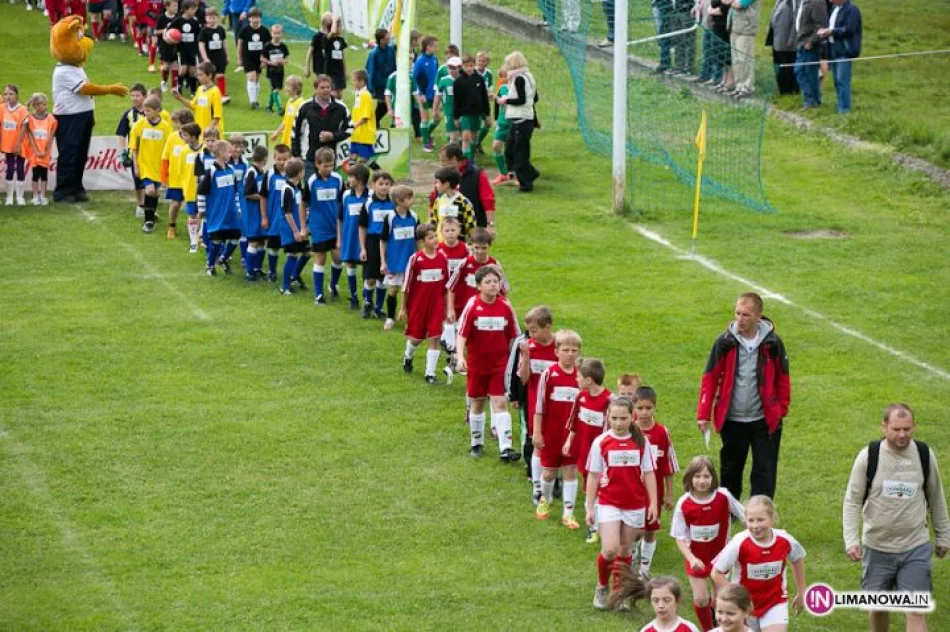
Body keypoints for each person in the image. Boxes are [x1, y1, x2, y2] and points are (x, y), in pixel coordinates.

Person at [842, 404, 949, 632]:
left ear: (915, 427)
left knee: (915, 609)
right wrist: (851, 540)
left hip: (915, 546)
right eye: (896, 429)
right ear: (884, 426)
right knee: (879, 608)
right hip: (877, 547)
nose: (902, 435)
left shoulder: (923, 454)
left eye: (907, 429)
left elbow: (936, 497)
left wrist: (943, 536)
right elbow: (852, 501)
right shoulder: (869, 456)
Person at [697, 292, 790, 501]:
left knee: (764, 471)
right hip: (733, 420)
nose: (739, 318)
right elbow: (710, 378)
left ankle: (761, 515)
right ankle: (729, 514)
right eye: (737, 313)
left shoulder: (773, 343)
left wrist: (781, 409)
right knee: (731, 470)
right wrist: (703, 414)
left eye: (746, 315)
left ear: (759, 316)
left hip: (764, 421)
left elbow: (783, 377)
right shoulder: (724, 342)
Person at [585, 396, 658, 610]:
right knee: (609, 550)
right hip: (609, 502)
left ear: (631, 416)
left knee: (625, 550)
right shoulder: (601, 442)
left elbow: (649, 472)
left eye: (623, 418)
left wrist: (653, 503)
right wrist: (589, 506)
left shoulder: (641, 441)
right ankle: (601, 587)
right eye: (614, 418)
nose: (618, 423)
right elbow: (593, 475)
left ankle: (620, 593)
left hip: (635, 504)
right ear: (608, 416)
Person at [671, 455, 745, 632]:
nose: (702, 481)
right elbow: (679, 538)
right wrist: (691, 558)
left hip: (720, 557)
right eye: (697, 476)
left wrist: (756, 530)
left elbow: (744, 515)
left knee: (720, 597)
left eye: (706, 476)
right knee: (701, 599)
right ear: (690, 478)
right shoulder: (684, 504)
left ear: (713, 478)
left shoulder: (723, 496)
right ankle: (707, 629)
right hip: (696, 558)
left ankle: (721, 626)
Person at [455, 265, 521, 463]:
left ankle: (506, 447)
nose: (493, 285)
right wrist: (460, 356)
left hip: (500, 365)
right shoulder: (472, 306)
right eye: (488, 282)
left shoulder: (506, 306)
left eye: (496, 281)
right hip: (477, 365)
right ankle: (477, 443)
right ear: (478, 286)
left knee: (500, 402)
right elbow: (462, 334)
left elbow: (515, 336)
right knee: (477, 402)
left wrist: (516, 360)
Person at [712, 496, 806, 632]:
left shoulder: (785, 540)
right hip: (745, 605)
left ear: (772, 519)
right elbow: (716, 572)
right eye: (751, 520)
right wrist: (736, 599)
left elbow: (797, 560)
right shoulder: (739, 543)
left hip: (775, 601)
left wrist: (801, 591)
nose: (756, 526)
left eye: (761, 520)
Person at [505, 305, 557, 500]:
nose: (531, 334)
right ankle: (535, 479)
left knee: (555, 440)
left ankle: (554, 478)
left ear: (548, 327)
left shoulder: (559, 347)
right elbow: (524, 379)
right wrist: (526, 356)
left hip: (557, 404)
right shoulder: (528, 347)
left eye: (534, 330)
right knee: (534, 439)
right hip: (535, 404)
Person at [533, 329, 582, 526]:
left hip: (571, 434)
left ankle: (568, 512)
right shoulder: (549, 374)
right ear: (557, 351)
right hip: (551, 432)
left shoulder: (582, 376)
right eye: (566, 350)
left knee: (570, 471)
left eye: (574, 350)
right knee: (549, 473)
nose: (570, 354)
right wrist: (537, 431)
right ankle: (544, 500)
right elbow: (539, 406)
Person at [562, 358, 612, 544]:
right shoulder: (581, 397)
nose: (576, 378)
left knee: (600, 489)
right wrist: (569, 441)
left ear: (589, 380)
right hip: (584, 451)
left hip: (601, 455)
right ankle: (596, 524)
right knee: (588, 487)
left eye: (579, 376)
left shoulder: (608, 401)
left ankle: (596, 528)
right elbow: (574, 422)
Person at [634, 386, 679, 579]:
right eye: (640, 407)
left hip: (654, 492)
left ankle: (644, 570)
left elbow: (668, 465)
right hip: (631, 490)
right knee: (634, 530)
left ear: (655, 408)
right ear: (633, 407)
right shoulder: (628, 430)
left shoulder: (661, 433)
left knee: (650, 530)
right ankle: (634, 554)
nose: (644, 412)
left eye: (648, 408)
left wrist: (669, 494)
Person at [399, 223, 450, 384]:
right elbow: (406, 286)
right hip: (419, 305)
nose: (435, 239)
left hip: (436, 305)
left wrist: (448, 308)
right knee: (417, 338)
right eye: (430, 237)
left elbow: (447, 286)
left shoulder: (443, 258)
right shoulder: (415, 260)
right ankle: (408, 356)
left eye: (435, 236)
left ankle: (430, 373)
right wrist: (403, 308)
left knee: (434, 337)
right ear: (422, 241)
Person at [302, 146, 344, 304]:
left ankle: (333, 284)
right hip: (319, 228)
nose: (329, 168)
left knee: (338, 258)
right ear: (317, 164)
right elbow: (303, 204)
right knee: (320, 259)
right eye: (325, 165)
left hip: (335, 227)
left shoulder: (338, 180)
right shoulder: (311, 182)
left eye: (331, 165)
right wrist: (303, 227)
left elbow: (342, 201)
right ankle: (318, 295)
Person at [130, 96, 174, 233]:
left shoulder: (166, 127)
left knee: (155, 193)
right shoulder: (139, 125)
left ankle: (151, 212)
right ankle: (148, 222)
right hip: (145, 165)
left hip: (159, 166)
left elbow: (170, 148)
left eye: (148, 110)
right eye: (144, 110)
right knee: (149, 190)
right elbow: (134, 147)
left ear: (157, 111)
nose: (145, 112)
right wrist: (136, 165)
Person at [196, 140, 242, 275]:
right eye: (228, 151)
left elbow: (235, 192)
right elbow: (201, 192)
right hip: (216, 213)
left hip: (231, 212)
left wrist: (238, 208)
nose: (231, 153)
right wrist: (202, 210)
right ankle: (210, 265)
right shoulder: (211, 172)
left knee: (235, 238)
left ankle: (223, 259)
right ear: (221, 153)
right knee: (216, 240)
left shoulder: (231, 170)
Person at [292, 75, 350, 178]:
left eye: (328, 87)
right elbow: (295, 132)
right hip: (310, 158)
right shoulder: (305, 107)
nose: (326, 90)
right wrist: (296, 155)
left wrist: (333, 136)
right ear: (315, 89)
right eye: (322, 87)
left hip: (332, 159)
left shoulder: (341, 108)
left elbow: (350, 129)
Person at [379, 185, 420, 330]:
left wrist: (420, 256)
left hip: (410, 260)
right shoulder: (390, 218)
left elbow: (418, 239)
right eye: (409, 198)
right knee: (393, 289)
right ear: (398, 200)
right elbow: (383, 240)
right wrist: (383, 262)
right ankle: (390, 318)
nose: (412, 200)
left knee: (410, 290)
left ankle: (410, 318)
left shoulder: (414, 216)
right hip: (394, 260)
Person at [500, 51, 539, 192]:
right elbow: (534, 98)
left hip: (521, 120)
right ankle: (531, 173)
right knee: (511, 149)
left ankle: (526, 183)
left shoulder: (518, 79)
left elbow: (521, 99)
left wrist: (505, 100)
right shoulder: (529, 76)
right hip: (524, 118)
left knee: (519, 152)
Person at [358, 171, 395, 318]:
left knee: (383, 276)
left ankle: (378, 308)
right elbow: (362, 226)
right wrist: (362, 248)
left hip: (388, 243)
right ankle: (367, 303)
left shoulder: (393, 204)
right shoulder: (368, 203)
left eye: (387, 184)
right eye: (380, 184)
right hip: (372, 242)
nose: (384, 187)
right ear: (373, 185)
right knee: (371, 277)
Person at [610, 574, 701, 630]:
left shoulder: (689, 628)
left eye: (666, 600)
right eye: (655, 600)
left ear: (677, 600)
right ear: (650, 601)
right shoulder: (646, 630)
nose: (661, 605)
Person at [817, 0, 862, 114]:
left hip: (844, 51)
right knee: (837, 81)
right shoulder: (834, 8)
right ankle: (840, 106)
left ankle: (844, 110)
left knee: (842, 80)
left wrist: (831, 32)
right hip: (833, 50)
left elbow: (849, 29)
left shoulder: (852, 10)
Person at [439, 143, 496, 231]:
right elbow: (433, 200)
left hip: (474, 229)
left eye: (444, 161)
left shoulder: (478, 174)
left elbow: (488, 200)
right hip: (447, 232)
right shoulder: (443, 175)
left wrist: (490, 225)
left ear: (454, 159)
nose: (442, 164)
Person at [258, 143, 290, 283]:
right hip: (274, 218)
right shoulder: (269, 174)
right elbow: (263, 197)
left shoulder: (293, 173)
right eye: (279, 159)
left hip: (289, 219)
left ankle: (292, 275)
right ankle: (272, 271)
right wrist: (264, 217)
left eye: (285, 159)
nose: (282, 162)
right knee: (273, 246)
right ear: (274, 158)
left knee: (291, 248)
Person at [339, 164, 370, 308]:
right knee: (350, 263)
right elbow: (340, 217)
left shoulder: (370, 196)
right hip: (349, 235)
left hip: (365, 237)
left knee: (365, 266)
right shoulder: (346, 195)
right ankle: (353, 296)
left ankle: (366, 298)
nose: (348, 179)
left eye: (351, 176)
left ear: (360, 179)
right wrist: (339, 238)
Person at [116, 84, 149, 217]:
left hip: (151, 153)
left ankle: (150, 205)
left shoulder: (152, 113)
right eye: (133, 95)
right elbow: (121, 133)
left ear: (145, 96)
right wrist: (123, 153)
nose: (135, 98)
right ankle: (140, 205)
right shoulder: (129, 114)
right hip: (135, 154)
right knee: (138, 181)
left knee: (151, 181)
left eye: (138, 95)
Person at [276, 157, 308, 295]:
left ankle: (294, 276)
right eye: (303, 170)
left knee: (308, 252)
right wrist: (295, 231)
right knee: (292, 255)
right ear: (299, 173)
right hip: (290, 228)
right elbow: (288, 213)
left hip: (299, 227)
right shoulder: (287, 189)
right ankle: (284, 286)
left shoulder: (297, 187)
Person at [20, 93, 57, 207]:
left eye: (46, 104)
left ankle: (43, 196)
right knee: (35, 174)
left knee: (44, 174)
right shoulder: (30, 119)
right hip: (34, 153)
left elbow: (51, 136)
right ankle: (35, 196)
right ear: (35, 106)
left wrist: (45, 150)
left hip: (45, 152)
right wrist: (36, 151)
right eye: (42, 104)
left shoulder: (51, 119)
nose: (45, 107)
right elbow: (30, 136)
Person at [158, 109, 190, 240]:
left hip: (190, 179)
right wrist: (163, 178)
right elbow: (165, 158)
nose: (176, 126)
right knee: (175, 204)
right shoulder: (172, 137)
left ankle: (195, 232)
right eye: (175, 123)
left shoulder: (196, 137)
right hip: (175, 179)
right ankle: (171, 226)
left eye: (178, 123)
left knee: (193, 207)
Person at [453, 55, 492, 162]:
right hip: (464, 114)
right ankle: (466, 161)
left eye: (471, 65)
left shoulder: (479, 79)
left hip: (477, 113)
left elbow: (484, 98)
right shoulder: (458, 81)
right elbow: (456, 101)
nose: (469, 68)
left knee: (474, 138)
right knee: (465, 137)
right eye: (466, 66)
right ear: (462, 67)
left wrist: (487, 115)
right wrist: (456, 117)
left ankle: (471, 158)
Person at [171, 61, 224, 134]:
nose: (198, 77)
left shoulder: (215, 92)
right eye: (198, 75)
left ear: (210, 75)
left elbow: (217, 117)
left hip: (211, 134)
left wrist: (207, 132)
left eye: (201, 75)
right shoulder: (200, 89)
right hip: (200, 130)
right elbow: (193, 105)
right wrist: (179, 97)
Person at [793, 0, 828, 109]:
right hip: (801, 42)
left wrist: (811, 41)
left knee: (808, 72)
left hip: (809, 45)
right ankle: (812, 99)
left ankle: (812, 100)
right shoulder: (803, 2)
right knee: (801, 71)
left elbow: (821, 26)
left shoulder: (817, 2)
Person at [241, 144, 269, 280]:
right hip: (252, 212)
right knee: (253, 241)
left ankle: (257, 268)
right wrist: (263, 197)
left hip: (260, 211)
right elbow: (247, 194)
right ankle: (249, 271)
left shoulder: (261, 173)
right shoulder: (251, 172)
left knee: (262, 240)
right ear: (265, 159)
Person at [237, 7, 271, 109]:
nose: (255, 20)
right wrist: (239, 58)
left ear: (260, 18)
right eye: (253, 17)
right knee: (251, 77)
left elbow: (268, 46)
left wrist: (265, 60)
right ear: (249, 18)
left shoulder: (264, 30)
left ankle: (255, 100)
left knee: (257, 78)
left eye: (257, 17)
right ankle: (252, 101)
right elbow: (240, 44)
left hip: (259, 58)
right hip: (248, 57)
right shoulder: (245, 30)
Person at [177, 122, 204, 252]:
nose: (183, 137)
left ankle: (202, 236)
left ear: (193, 137)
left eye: (185, 135)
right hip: (189, 188)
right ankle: (193, 241)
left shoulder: (205, 150)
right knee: (192, 214)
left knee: (204, 213)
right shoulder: (184, 151)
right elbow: (181, 170)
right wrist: (184, 185)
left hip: (203, 189)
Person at [430, 166, 475, 242]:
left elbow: (471, 227)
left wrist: (470, 247)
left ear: (447, 184)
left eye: (437, 182)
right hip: (440, 247)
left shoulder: (464, 203)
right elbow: (433, 222)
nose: (435, 185)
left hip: (458, 247)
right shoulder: (438, 201)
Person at [2, 85, 30, 207]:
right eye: (6, 94)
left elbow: (24, 128)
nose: (8, 96)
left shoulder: (22, 110)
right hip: (7, 144)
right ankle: (9, 197)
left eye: (11, 94)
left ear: (17, 95)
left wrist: (18, 145)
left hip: (19, 145)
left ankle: (20, 197)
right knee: (9, 168)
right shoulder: (2, 108)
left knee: (19, 168)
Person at [727, 0, 760, 98]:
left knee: (744, 59)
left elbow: (739, 4)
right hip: (734, 27)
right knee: (736, 60)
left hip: (746, 28)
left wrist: (731, 2)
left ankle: (747, 87)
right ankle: (739, 86)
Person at [412, 35, 439, 152]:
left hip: (433, 94)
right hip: (423, 95)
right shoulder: (420, 61)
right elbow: (415, 79)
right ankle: (425, 144)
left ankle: (426, 135)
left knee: (437, 117)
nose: (437, 48)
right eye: (435, 46)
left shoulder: (434, 59)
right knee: (424, 118)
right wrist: (421, 94)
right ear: (428, 47)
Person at [766, 0, 799, 95]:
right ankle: (782, 89)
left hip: (787, 41)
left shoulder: (794, 2)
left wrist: (792, 39)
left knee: (787, 66)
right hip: (777, 39)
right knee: (779, 65)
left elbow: (796, 21)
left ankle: (789, 91)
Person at [169, 0, 201, 95]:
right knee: (182, 70)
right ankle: (178, 86)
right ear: (186, 9)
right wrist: (170, 38)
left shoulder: (195, 22)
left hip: (192, 50)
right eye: (192, 9)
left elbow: (199, 35)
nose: (194, 11)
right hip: (182, 50)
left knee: (192, 71)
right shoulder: (178, 21)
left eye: (195, 9)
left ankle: (193, 90)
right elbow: (169, 31)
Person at [198, 7, 229, 103]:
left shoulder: (220, 29)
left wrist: (227, 55)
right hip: (209, 57)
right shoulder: (204, 31)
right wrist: (205, 58)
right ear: (206, 18)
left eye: (214, 17)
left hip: (220, 56)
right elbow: (201, 45)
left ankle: (222, 96)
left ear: (217, 18)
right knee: (209, 77)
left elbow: (224, 42)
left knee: (221, 75)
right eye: (209, 17)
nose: (212, 20)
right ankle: (204, 93)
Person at [365, 28, 396, 125]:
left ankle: (375, 122)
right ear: (381, 40)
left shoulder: (391, 50)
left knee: (387, 104)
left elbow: (394, 65)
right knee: (384, 105)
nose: (389, 39)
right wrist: (370, 87)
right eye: (387, 38)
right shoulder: (374, 53)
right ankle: (374, 121)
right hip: (380, 84)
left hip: (390, 82)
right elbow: (370, 70)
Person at [490, 66, 515, 185]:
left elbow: (503, 100)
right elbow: (498, 104)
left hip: (513, 122)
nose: (503, 79)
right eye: (501, 76)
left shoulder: (516, 87)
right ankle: (503, 173)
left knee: (513, 149)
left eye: (504, 76)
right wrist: (496, 118)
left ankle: (517, 174)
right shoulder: (503, 87)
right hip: (502, 122)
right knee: (496, 146)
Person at [349, 70, 377, 166]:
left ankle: (380, 173)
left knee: (364, 159)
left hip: (364, 133)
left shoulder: (365, 95)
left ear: (361, 82)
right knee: (352, 156)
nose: (353, 83)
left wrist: (354, 126)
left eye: (354, 81)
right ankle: (351, 179)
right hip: (357, 133)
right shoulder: (359, 94)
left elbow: (365, 117)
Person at [262, 24, 290, 114]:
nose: (276, 35)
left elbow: (287, 59)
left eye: (278, 33)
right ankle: (279, 108)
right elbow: (262, 58)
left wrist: (282, 61)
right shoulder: (268, 46)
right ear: (271, 33)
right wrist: (270, 62)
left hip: (280, 70)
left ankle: (269, 107)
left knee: (275, 88)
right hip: (271, 70)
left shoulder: (283, 46)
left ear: (282, 34)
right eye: (274, 33)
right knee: (275, 88)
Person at [433, 57, 461, 146]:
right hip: (450, 112)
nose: (451, 70)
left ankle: (462, 155)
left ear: (459, 68)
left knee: (464, 135)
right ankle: (452, 156)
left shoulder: (464, 79)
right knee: (453, 137)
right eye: (449, 67)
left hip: (463, 111)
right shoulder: (444, 80)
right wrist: (435, 110)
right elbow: (437, 96)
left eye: (454, 68)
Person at [270, 75, 304, 147]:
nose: (285, 88)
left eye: (288, 86)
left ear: (296, 88)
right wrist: (277, 133)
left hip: (294, 139)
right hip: (286, 137)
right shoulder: (289, 101)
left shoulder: (301, 103)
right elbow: (285, 120)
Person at [155, 0, 180, 92]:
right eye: (174, 6)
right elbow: (156, 32)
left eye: (177, 6)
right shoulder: (162, 18)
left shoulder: (178, 18)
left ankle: (174, 87)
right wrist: (166, 31)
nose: (176, 8)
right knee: (166, 66)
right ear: (167, 7)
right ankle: (164, 81)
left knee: (175, 66)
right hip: (164, 45)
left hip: (175, 45)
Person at [324, 15, 347, 98]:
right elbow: (332, 32)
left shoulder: (341, 40)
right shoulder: (327, 39)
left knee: (340, 95)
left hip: (339, 71)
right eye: (339, 26)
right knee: (333, 94)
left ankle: (338, 110)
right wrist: (334, 19)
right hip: (330, 71)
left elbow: (342, 56)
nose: (341, 28)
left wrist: (345, 71)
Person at [305, 12, 332, 80]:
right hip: (319, 68)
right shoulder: (317, 36)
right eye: (331, 20)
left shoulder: (331, 36)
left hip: (329, 67)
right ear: (327, 22)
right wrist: (307, 67)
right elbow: (310, 52)